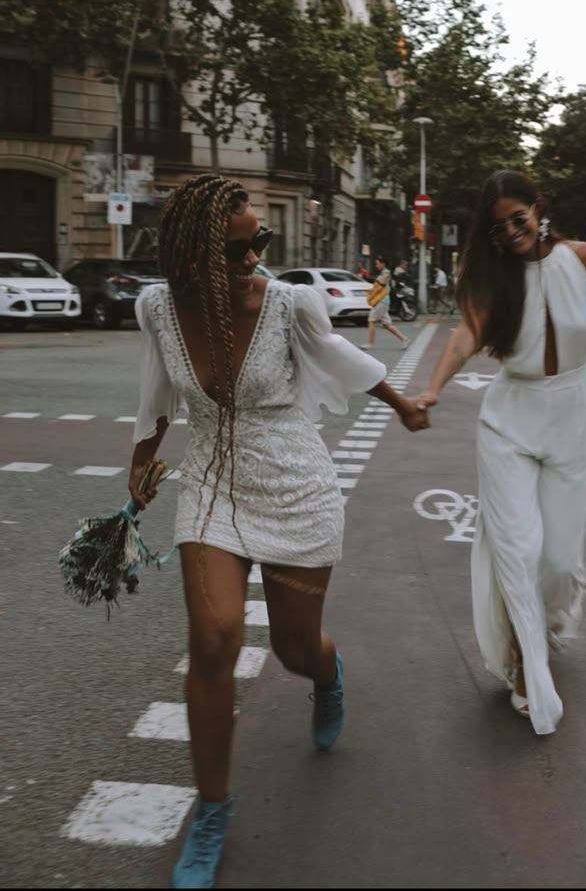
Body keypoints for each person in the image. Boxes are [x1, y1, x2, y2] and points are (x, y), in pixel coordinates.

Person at [128, 174, 429, 888]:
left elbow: (342, 362)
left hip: (295, 483)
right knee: (213, 641)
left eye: (259, 242)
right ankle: (211, 809)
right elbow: (156, 394)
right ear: (189, 257)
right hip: (211, 480)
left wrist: (401, 403)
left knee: (295, 647)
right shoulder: (159, 309)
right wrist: (139, 469)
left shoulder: (288, 303)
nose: (253, 258)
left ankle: (326, 675)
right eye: (236, 249)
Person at [415, 170, 586, 736]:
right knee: (517, 550)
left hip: (570, 417)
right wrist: (434, 388)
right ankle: (524, 666)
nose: (512, 232)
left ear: (539, 208)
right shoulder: (492, 272)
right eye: (499, 227)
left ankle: (544, 630)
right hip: (509, 421)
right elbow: (465, 335)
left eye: (519, 218)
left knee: (560, 563)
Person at [360, 255, 410, 350]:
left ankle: (370, 344)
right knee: (387, 324)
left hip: (381, 301)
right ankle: (404, 339)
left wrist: (371, 293)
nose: (376, 265)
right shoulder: (383, 273)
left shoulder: (386, 274)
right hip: (382, 301)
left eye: (377, 263)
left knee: (371, 320)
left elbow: (380, 287)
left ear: (383, 264)